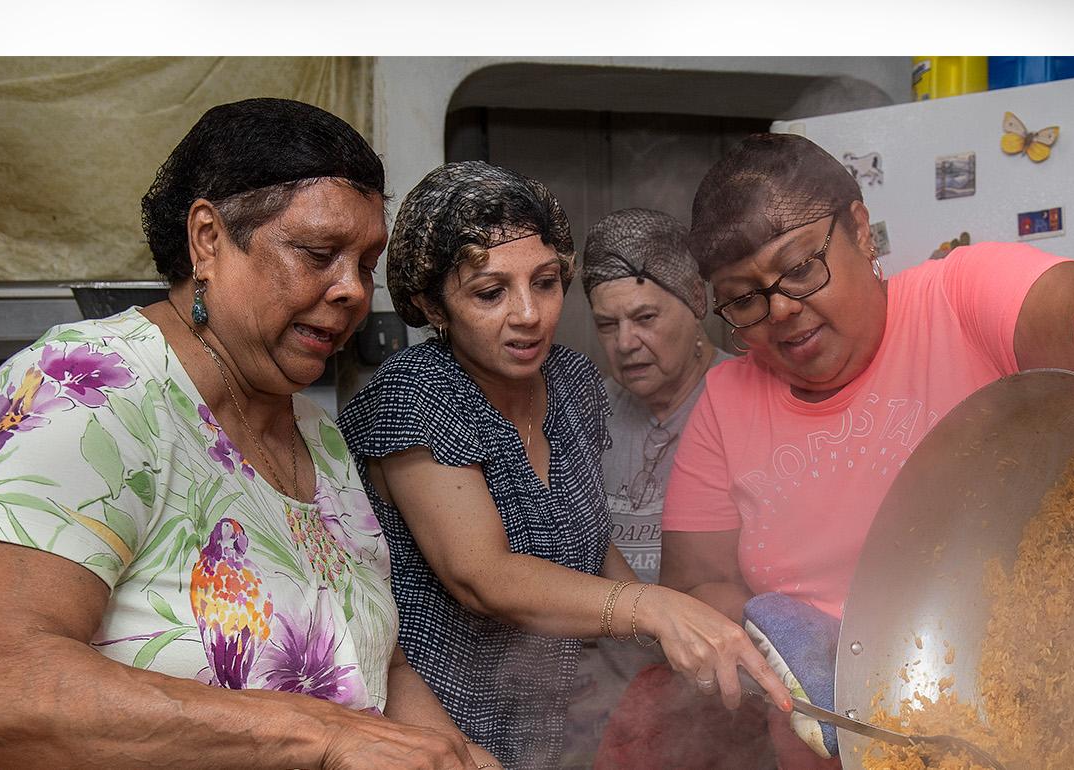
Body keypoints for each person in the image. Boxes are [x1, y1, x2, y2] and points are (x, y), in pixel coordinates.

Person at [659, 133, 1074, 764]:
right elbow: (696, 585)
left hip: (1057, 715)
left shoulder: (957, 296)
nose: (782, 308)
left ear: (860, 229)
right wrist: (780, 645)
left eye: (798, 269)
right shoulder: (725, 402)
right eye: (744, 298)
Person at [0, 98, 497, 770]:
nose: (351, 289)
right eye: (318, 253)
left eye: (366, 262)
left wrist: (456, 757)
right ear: (208, 238)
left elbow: (375, 663)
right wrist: (322, 735)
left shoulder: (318, 437)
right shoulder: (88, 390)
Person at [337, 162, 791, 770]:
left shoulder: (573, 383)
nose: (528, 314)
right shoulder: (413, 395)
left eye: (545, 283)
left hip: (562, 723)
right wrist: (656, 609)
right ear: (431, 304)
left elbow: (592, 547)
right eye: (490, 293)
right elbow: (482, 576)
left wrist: (676, 658)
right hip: (438, 725)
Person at [562, 207, 759, 768]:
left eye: (645, 317)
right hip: (609, 707)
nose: (626, 342)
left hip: (725, 710)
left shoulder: (745, 401)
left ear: (696, 302)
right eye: (607, 324)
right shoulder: (585, 412)